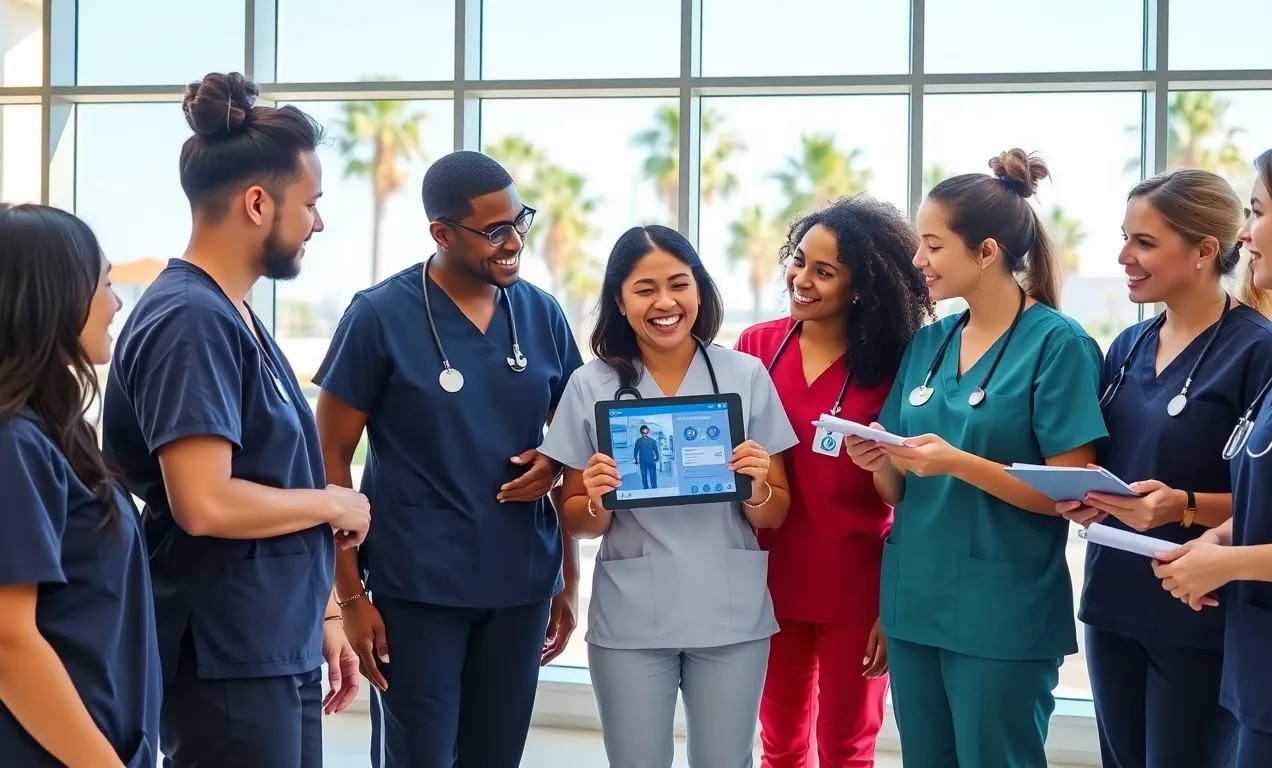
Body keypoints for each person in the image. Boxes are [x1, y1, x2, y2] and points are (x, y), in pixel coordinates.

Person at [102, 72, 367, 767]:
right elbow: (205, 501)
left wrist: (322, 611)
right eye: (310, 204)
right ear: (257, 202)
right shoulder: (190, 319)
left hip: (270, 642)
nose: (318, 223)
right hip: (227, 653)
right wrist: (332, 502)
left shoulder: (232, 312)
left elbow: (269, 479)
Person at [312, 150, 584, 768]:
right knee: (420, 757)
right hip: (417, 590)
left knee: (496, 756)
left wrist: (567, 579)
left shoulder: (541, 314)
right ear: (441, 233)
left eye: (520, 220)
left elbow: (573, 441)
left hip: (520, 582)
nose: (514, 242)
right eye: (495, 230)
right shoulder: (378, 316)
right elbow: (329, 455)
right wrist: (350, 596)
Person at [845, 150, 1109, 768]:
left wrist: (959, 462)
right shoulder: (929, 344)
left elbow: (1073, 492)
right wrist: (878, 460)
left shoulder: (1059, 345)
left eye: (933, 245)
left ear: (986, 252)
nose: (918, 260)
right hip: (916, 602)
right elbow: (899, 490)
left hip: (1002, 613)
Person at [1059, 170, 1272, 768]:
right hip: (1113, 603)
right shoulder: (1128, 347)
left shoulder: (1264, 352)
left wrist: (1184, 506)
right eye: (1124, 238)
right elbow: (1117, 464)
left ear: (1204, 250)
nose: (1124, 257)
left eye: (1144, 242)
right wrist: (1086, 496)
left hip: (1198, 613)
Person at [539, 225, 797, 767]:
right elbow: (576, 517)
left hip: (729, 613)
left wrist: (755, 487)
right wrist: (598, 497)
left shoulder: (745, 375)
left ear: (699, 289)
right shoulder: (590, 385)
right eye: (645, 289)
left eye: (679, 284)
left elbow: (775, 511)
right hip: (633, 616)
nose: (665, 302)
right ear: (619, 301)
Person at [1154, 132, 1272, 766]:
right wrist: (1219, 538)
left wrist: (1233, 563)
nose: (1245, 234)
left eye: (1258, 213)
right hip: (1268, 671)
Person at [734, 195, 933, 768]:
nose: (801, 280)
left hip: (857, 588)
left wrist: (892, 607)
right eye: (798, 261)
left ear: (862, 286)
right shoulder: (756, 347)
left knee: (847, 748)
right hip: (769, 580)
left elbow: (907, 492)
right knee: (779, 746)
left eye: (824, 272)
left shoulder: (898, 363)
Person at [0, 204, 159, 766]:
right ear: (56, 295)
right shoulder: (14, 442)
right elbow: (8, 643)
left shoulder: (54, 433)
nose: (117, 303)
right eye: (106, 283)